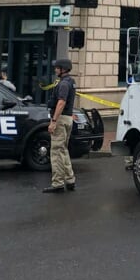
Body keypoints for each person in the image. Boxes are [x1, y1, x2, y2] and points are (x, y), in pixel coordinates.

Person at [42, 58, 76, 193]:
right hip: (67, 118)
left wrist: (54, 121)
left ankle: (57, 183)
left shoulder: (63, 84)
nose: (55, 69)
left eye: (57, 67)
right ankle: (69, 179)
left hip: (61, 119)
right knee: (63, 150)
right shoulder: (71, 82)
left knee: (56, 152)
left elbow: (61, 102)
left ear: (62, 69)